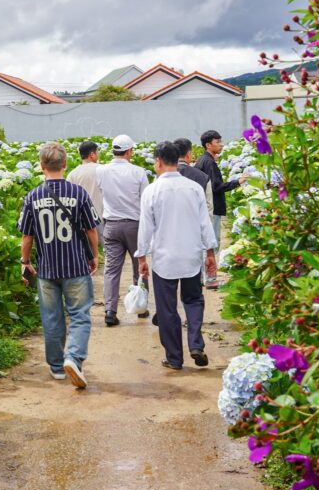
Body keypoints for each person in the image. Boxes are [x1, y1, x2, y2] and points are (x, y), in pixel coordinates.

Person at [19, 142, 100, 389]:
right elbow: (91, 229)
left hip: (47, 270)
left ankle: (56, 367)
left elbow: (27, 236)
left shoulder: (32, 196)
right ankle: (73, 357)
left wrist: (25, 262)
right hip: (75, 266)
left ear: (42, 167)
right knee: (80, 316)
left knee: (51, 318)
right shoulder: (78, 194)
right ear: (65, 164)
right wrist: (94, 256)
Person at [136, 141, 218, 370]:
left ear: (158, 162)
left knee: (167, 308)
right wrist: (210, 252)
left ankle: (174, 358)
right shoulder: (193, 188)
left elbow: (145, 228)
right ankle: (195, 344)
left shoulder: (151, 191)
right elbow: (205, 223)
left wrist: (141, 257)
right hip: (191, 255)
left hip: (164, 259)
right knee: (193, 301)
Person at [96, 134, 149, 326]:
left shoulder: (101, 171)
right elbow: (145, 199)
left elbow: (102, 192)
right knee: (140, 267)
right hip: (135, 224)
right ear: (129, 151)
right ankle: (141, 307)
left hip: (111, 224)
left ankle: (110, 310)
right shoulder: (138, 171)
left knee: (111, 270)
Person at [194, 130, 248, 289]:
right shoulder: (209, 162)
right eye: (218, 142)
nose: (221, 144)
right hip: (213, 208)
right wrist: (238, 181)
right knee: (211, 243)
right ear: (208, 145)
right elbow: (216, 187)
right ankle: (209, 279)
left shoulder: (205, 160)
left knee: (206, 243)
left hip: (206, 208)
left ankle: (203, 278)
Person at [66, 140, 104, 246]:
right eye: (97, 151)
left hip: (82, 220)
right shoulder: (103, 170)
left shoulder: (72, 174)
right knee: (108, 252)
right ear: (92, 154)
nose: (99, 154)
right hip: (101, 217)